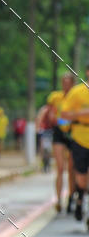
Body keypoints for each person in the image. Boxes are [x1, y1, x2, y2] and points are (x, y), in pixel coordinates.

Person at [61, 64, 89, 225]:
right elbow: (64, 115)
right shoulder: (77, 92)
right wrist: (81, 113)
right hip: (79, 138)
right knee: (81, 177)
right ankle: (79, 197)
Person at [47, 74, 75, 212]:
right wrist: (55, 118)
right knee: (60, 168)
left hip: (73, 132)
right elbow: (51, 115)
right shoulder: (55, 97)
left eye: (68, 83)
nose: (66, 85)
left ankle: (71, 197)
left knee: (71, 168)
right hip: (59, 132)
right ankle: (58, 199)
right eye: (63, 82)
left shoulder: (76, 96)